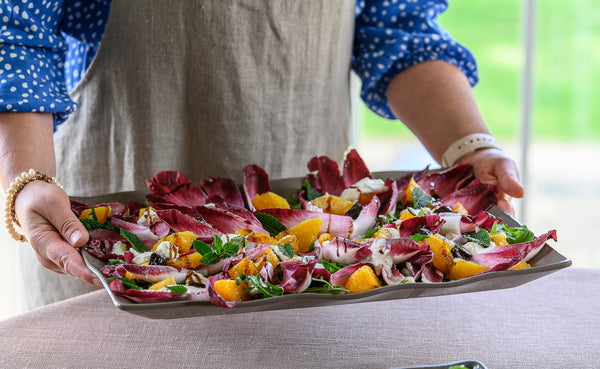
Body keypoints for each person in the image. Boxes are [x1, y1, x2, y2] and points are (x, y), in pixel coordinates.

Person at [0, 0, 524, 311]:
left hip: (321, 243)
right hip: (112, 203)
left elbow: (400, 29)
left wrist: (470, 146)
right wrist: (27, 179)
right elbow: (16, 35)